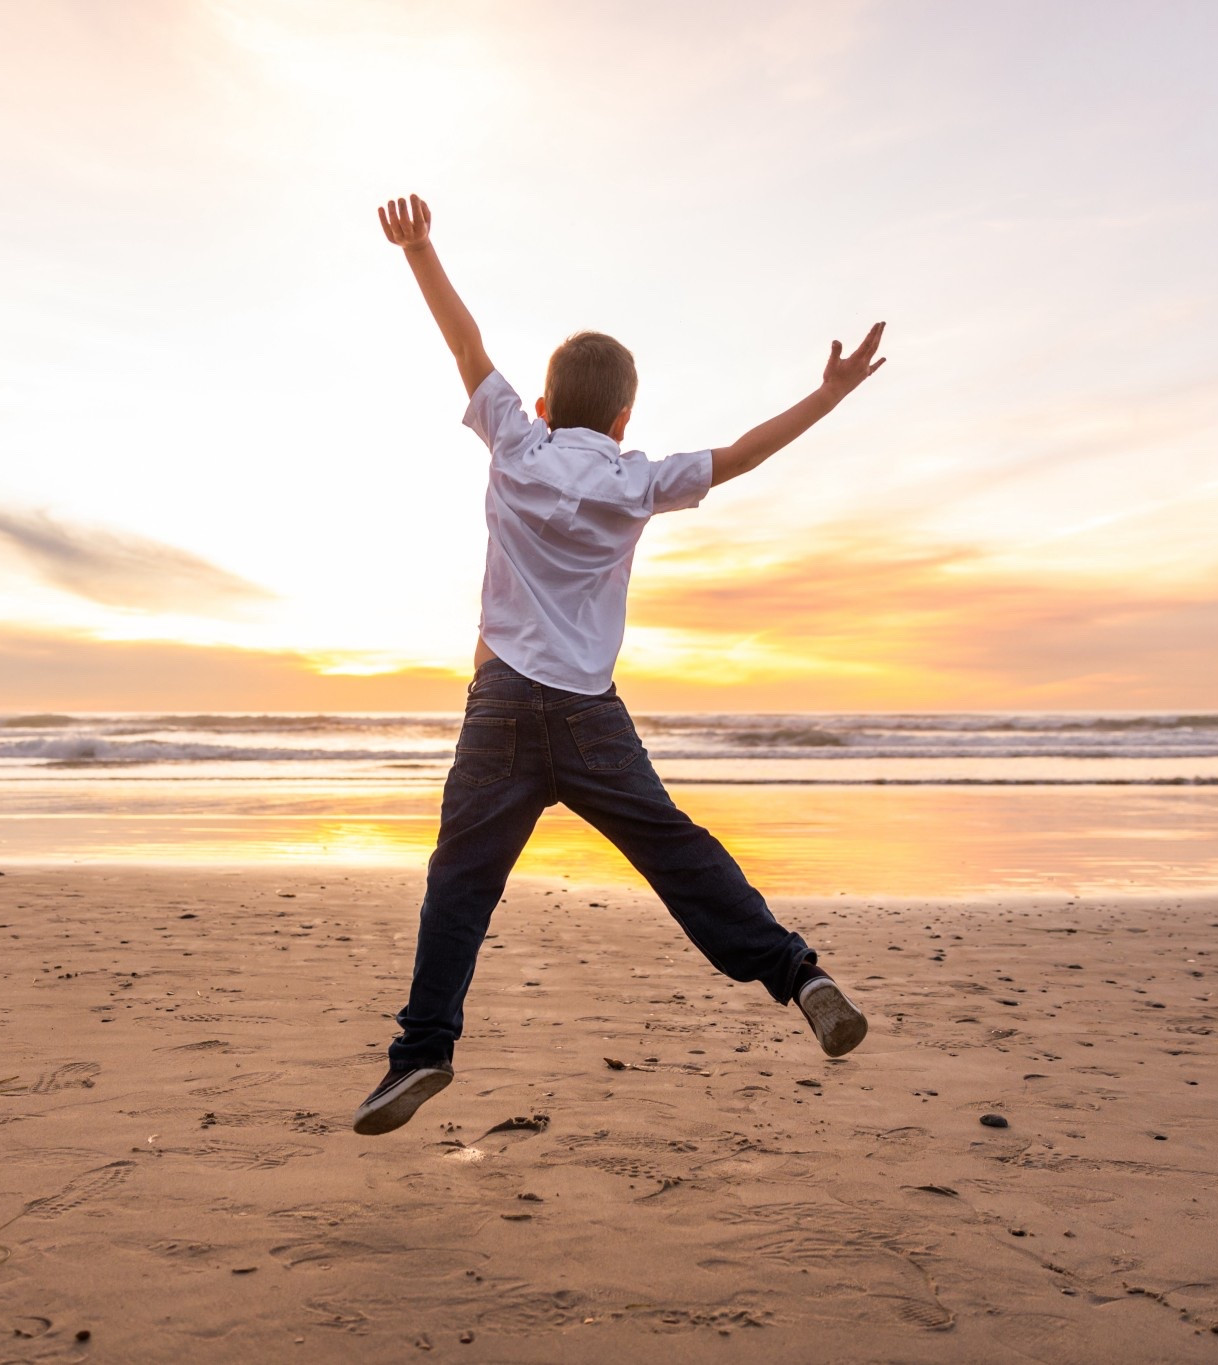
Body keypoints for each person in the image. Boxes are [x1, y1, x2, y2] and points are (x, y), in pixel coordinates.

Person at [355, 193, 885, 1136]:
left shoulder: (516, 439)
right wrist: (830, 395)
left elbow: (467, 348)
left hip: (501, 705)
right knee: (678, 854)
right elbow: (744, 455)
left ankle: (423, 1051)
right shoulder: (637, 478)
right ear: (627, 416)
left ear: (549, 404)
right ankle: (800, 974)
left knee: (460, 885)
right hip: (590, 715)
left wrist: (421, 249)